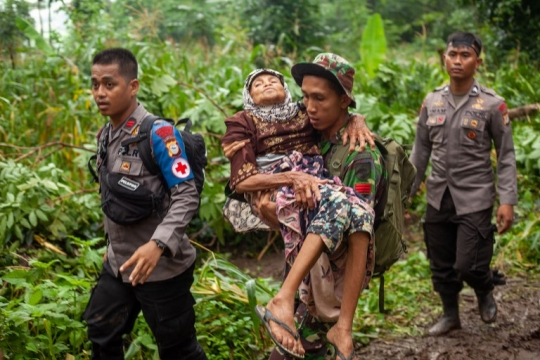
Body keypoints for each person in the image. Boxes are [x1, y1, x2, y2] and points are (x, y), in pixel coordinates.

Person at [222, 54, 386, 360]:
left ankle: (331, 326)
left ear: (344, 100)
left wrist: (344, 321)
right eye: (305, 96)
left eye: (320, 98)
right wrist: (273, 212)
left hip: (329, 280)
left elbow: (359, 230)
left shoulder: (359, 154)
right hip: (302, 270)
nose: (309, 107)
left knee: (291, 354)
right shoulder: (311, 137)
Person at [83, 48, 208, 359]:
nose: (100, 92)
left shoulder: (159, 135)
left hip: (162, 268)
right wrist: (110, 247)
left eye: (109, 84)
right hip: (120, 264)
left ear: (133, 86)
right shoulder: (106, 134)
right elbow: (112, 197)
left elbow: (186, 194)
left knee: (179, 349)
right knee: (100, 329)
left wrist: (158, 244)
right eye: (95, 84)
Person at [409, 31, 518, 337]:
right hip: (438, 194)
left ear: (477, 62)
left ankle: (484, 289)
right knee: (441, 263)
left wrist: (507, 200)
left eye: (465, 55)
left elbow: (506, 155)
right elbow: (420, 152)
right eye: (452, 55)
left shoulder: (492, 105)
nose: (457, 61)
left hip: (475, 196)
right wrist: (406, 190)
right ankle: (450, 315)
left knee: (468, 263)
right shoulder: (432, 101)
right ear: (444, 58)